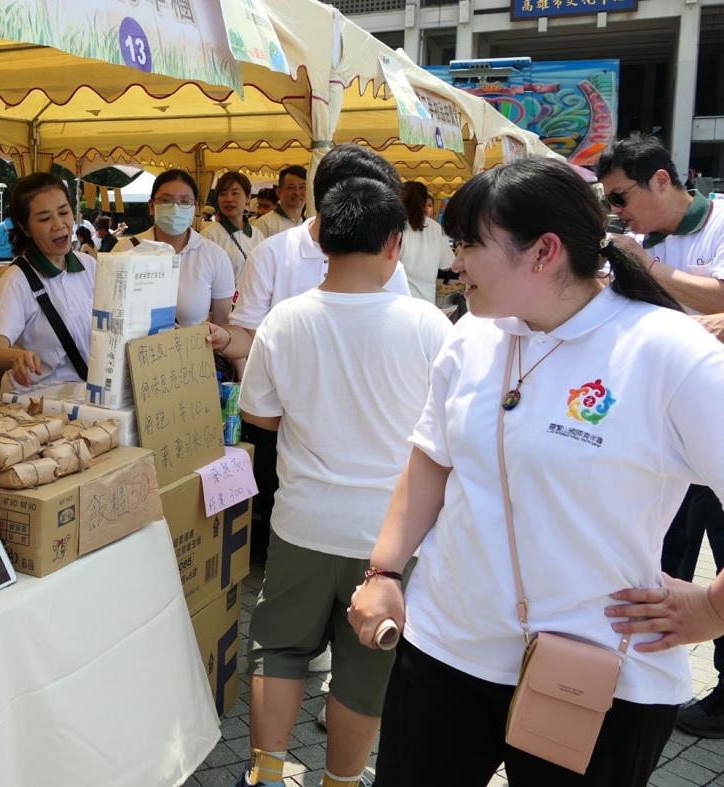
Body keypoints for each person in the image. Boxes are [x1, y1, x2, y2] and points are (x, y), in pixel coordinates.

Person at [347, 157, 724, 786]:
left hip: (597, 673)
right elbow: (430, 460)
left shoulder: (666, 351)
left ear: (544, 252)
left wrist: (715, 610)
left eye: (469, 244)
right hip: (447, 648)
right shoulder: (471, 336)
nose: (456, 261)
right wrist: (385, 571)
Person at [237, 178, 452, 787]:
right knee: (365, 668)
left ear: (323, 238)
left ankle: (268, 775)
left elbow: (260, 417)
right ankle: (341, 780)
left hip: (302, 523)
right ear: (394, 244)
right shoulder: (428, 324)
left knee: (277, 649)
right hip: (389, 538)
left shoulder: (286, 319)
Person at [213, 145, 413, 570]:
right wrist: (223, 340)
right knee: (285, 521)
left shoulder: (389, 263)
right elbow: (249, 336)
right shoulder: (273, 253)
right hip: (291, 428)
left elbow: (394, 329)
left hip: (361, 424)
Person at [597, 137, 724, 737]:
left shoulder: (722, 221)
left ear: (660, 180)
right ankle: (636, 680)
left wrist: (648, 267)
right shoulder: (639, 243)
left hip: (718, 430)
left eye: (621, 196)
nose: (617, 211)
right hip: (655, 433)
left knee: (723, 567)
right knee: (655, 564)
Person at [597, 136, 724, 315]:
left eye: (618, 197)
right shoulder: (631, 242)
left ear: (661, 180)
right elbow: (602, 291)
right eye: (608, 202)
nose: (614, 209)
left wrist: (645, 265)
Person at [0, 173, 96, 392]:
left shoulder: (90, 266)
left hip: (85, 399)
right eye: (45, 219)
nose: (58, 224)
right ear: (25, 227)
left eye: (64, 212)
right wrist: (16, 356)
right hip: (36, 402)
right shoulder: (17, 278)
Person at [114, 170, 234, 328]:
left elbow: (222, 325)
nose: (175, 208)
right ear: (151, 206)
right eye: (165, 200)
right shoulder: (124, 250)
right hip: (134, 351)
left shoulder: (215, 256)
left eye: (184, 202)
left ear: (196, 207)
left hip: (190, 351)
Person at [202, 171, 265, 281]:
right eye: (223, 194)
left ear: (248, 198)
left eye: (235, 193)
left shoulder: (257, 234)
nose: (228, 199)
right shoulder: (209, 236)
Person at [398, 182, 454, 303]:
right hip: (426, 302)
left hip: (398, 301)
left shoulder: (395, 226)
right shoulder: (436, 227)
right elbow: (447, 264)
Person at [253, 167, 307, 238]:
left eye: (303, 187)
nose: (297, 192)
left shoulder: (308, 223)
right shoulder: (264, 224)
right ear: (279, 192)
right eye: (291, 187)